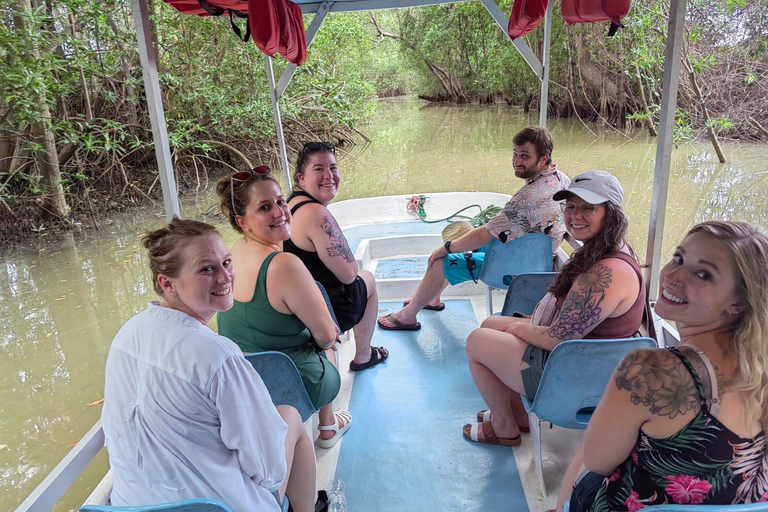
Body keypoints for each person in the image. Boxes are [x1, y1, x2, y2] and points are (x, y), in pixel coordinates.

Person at [102, 218, 317, 512]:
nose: (225, 277)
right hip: (220, 506)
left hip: (131, 505)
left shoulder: (126, 335)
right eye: (206, 269)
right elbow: (269, 470)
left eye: (227, 262)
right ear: (167, 283)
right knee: (290, 416)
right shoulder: (219, 356)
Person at [559, 221, 768, 512]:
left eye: (703, 274)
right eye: (679, 258)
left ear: (738, 303)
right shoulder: (760, 366)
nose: (672, 276)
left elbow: (597, 462)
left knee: (588, 453)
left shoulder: (651, 370)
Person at [463, 170, 646, 446]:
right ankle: (518, 416)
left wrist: (521, 327)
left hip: (571, 373)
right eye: (570, 206)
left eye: (588, 208)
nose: (575, 215)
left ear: (611, 214)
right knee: (491, 324)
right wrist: (526, 325)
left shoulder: (607, 272)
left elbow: (560, 337)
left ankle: (503, 427)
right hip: (578, 358)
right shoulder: (610, 249)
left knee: (477, 341)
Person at [377, 125, 571, 331]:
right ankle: (432, 299)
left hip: (516, 271)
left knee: (441, 260)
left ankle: (407, 316)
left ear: (543, 158)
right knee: (465, 245)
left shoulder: (528, 197)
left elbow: (485, 233)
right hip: (540, 264)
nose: (516, 161)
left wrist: (446, 248)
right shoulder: (561, 179)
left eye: (525, 156)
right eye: (515, 154)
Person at [216, 167, 352, 449]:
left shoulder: (233, 253)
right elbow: (327, 336)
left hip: (245, 381)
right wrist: (325, 332)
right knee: (329, 339)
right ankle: (327, 425)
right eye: (265, 207)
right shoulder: (284, 264)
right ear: (243, 222)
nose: (279, 212)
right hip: (288, 382)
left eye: (280, 201)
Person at [284, 141, 388, 372]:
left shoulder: (291, 205)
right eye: (318, 169)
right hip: (324, 312)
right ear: (301, 178)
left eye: (333, 168)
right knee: (366, 278)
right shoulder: (316, 213)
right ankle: (363, 354)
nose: (328, 175)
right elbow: (349, 275)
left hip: (297, 307)